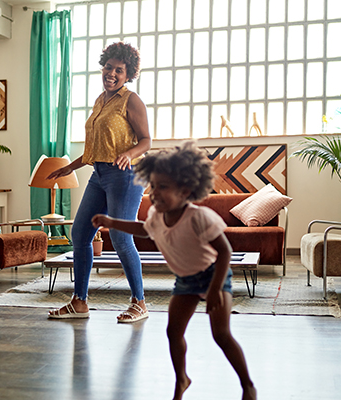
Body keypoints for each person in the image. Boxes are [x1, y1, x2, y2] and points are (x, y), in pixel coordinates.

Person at [92, 142, 256, 400]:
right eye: (153, 186)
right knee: (173, 331)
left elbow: (225, 252)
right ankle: (182, 379)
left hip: (214, 275)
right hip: (186, 280)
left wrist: (214, 290)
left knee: (221, 334)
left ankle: (247, 385)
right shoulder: (158, 215)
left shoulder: (199, 217)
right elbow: (145, 230)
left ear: (186, 190)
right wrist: (112, 222)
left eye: (163, 187)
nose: (155, 193)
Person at [47, 42, 151, 323]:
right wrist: (70, 166)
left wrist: (129, 154)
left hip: (126, 176)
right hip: (100, 175)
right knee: (80, 234)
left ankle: (139, 303)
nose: (112, 73)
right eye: (109, 67)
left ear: (128, 74)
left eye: (119, 70)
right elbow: (97, 148)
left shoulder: (132, 100)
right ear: (103, 67)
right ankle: (79, 302)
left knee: (119, 236)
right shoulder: (100, 101)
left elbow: (146, 141)